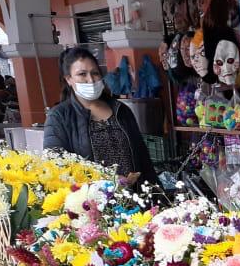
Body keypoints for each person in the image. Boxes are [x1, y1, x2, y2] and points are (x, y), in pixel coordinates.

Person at [43, 47, 159, 187]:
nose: (90, 80)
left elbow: (143, 158)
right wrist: (105, 181)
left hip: (134, 199)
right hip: (91, 203)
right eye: (82, 74)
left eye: (95, 73)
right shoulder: (59, 117)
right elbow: (56, 166)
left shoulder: (121, 110)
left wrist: (157, 195)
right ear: (69, 79)